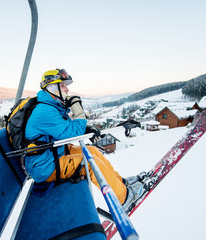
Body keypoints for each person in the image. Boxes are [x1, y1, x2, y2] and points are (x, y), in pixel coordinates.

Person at [24, 68, 152, 211]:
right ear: (52, 87)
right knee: (91, 164)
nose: (67, 89)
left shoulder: (51, 106)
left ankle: (120, 183)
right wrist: (77, 108)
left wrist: (87, 128)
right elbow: (73, 132)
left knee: (91, 151)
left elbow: (65, 128)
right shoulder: (45, 111)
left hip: (52, 154)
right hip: (45, 167)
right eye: (63, 85)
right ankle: (124, 198)